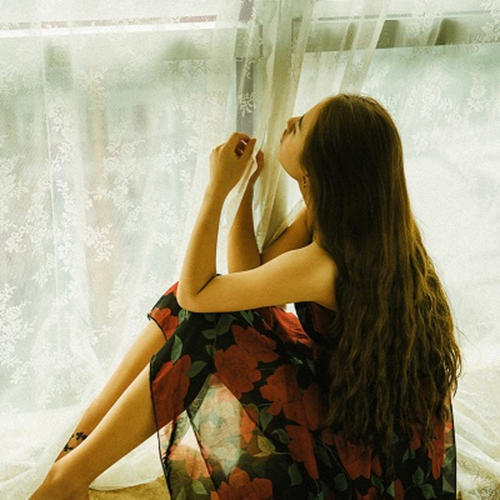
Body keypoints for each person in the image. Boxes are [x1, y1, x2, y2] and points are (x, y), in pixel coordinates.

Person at [29, 93, 462, 499]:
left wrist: (215, 190)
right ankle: (74, 454)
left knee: (200, 320)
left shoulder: (325, 263)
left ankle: (68, 477)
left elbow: (201, 295)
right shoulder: (348, 220)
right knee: (186, 302)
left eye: (300, 126)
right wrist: (245, 192)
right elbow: (248, 283)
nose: (289, 121)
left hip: (362, 454)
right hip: (349, 398)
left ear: (316, 170)